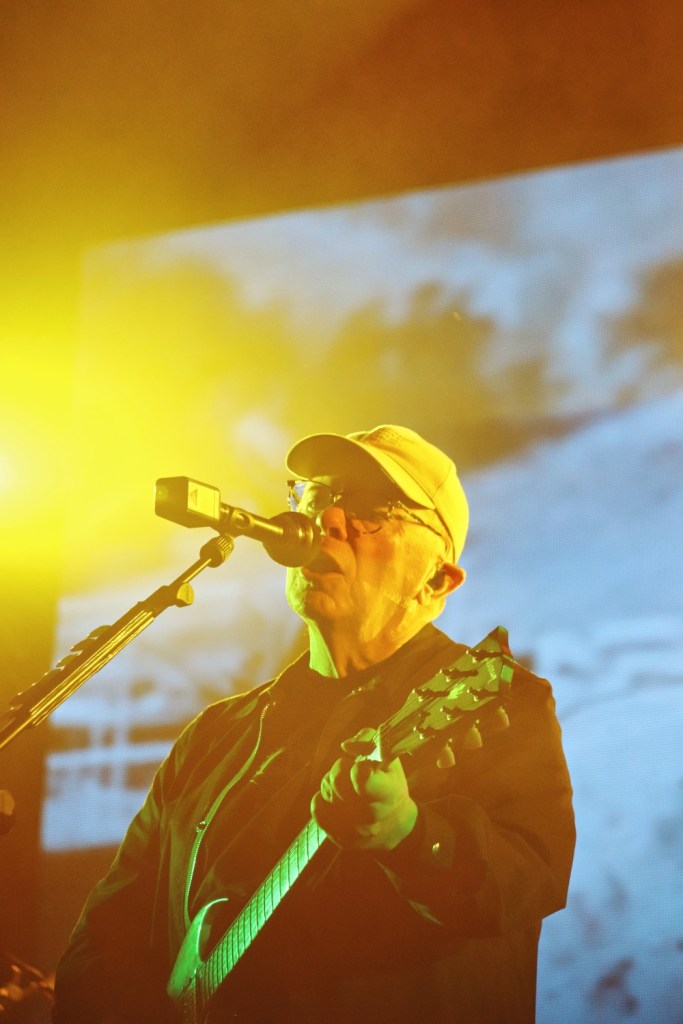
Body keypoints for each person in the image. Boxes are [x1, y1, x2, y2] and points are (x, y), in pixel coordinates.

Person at [52, 424, 575, 1024]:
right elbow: (106, 936)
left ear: (437, 581)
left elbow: (524, 882)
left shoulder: (495, 701)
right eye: (316, 496)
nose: (326, 519)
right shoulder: (215, 734)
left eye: (371, 510)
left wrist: (408, 834)